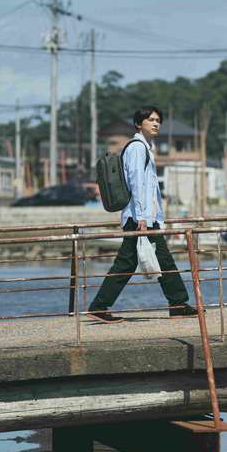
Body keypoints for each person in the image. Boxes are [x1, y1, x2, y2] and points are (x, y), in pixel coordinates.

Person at [87, 105, 198, 323]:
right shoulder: (137, 148)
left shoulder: (146, 148)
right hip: (139, 219)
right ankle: (99, 306)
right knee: (129, 262)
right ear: (139, 124)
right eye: (151, 120)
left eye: (158, 120)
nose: (156, 123)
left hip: (145, 218)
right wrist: (143, 218)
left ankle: (178, 305)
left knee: (159, 261)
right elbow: (136, 183)